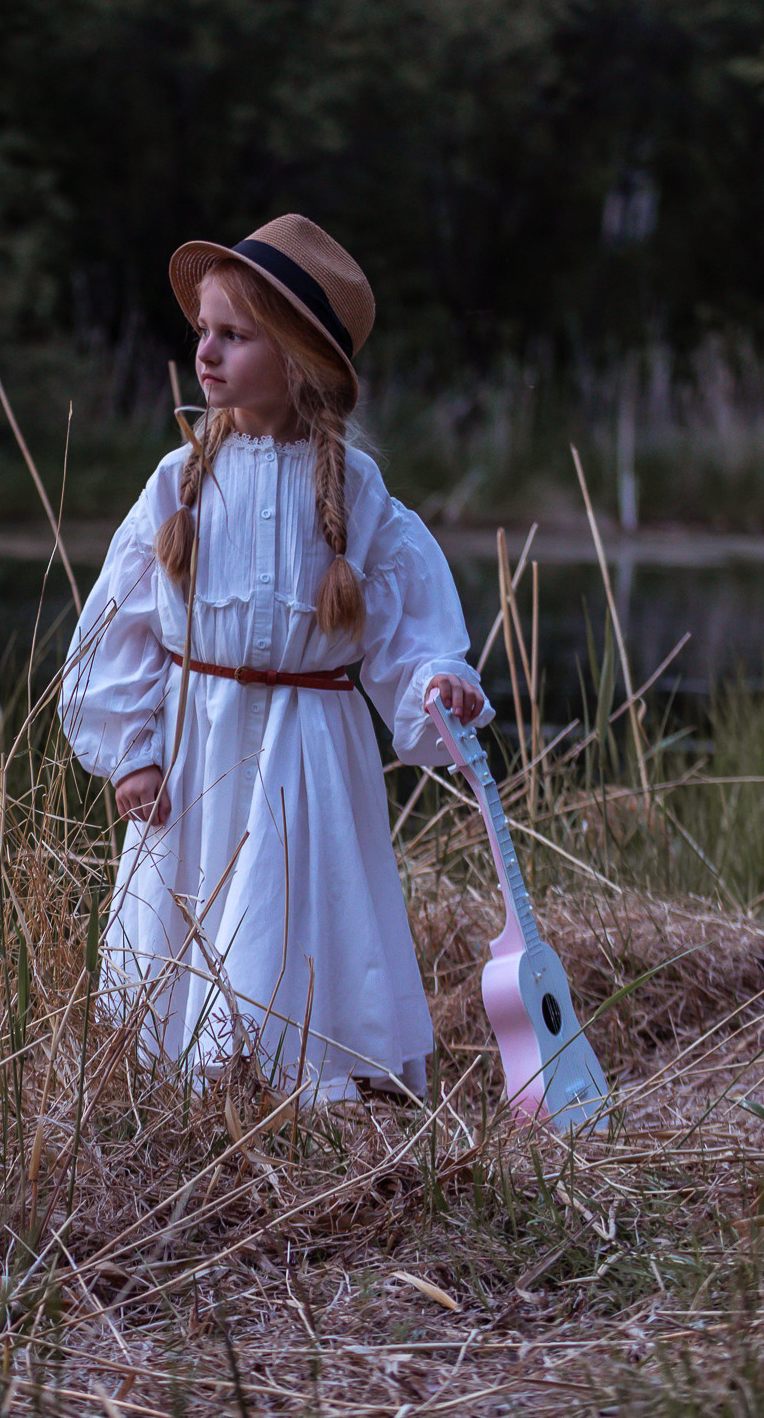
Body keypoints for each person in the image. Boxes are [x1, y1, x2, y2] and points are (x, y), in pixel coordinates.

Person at [59, 214, 491, 1105]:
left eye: (233, 335)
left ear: (296, 357)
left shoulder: (359, 494)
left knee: (300, 911)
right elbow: (121, 625)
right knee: (191, 905)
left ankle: (307, 1081)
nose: (205, 354)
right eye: (202, 333)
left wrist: (437, 682)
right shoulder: (177, 481)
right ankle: (187, 1086)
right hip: (195, 745)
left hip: (311, 750)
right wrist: (131, 750)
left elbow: (407, 633)